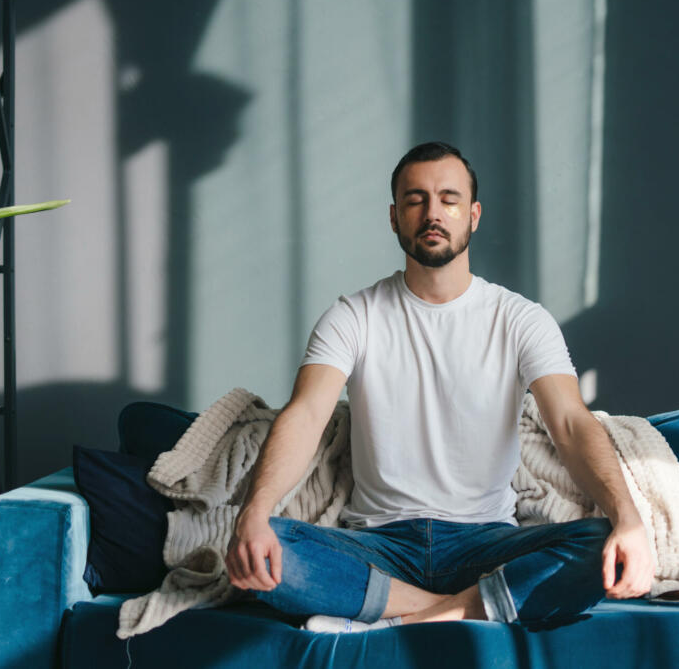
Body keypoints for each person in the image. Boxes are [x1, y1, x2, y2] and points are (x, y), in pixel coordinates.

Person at [225, 142, 654, 631]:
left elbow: (572, 423)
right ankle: (466, 607)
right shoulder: (353, 316)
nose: (433, 213)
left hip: (487, 543)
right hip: (381, 543)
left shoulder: (520, 319)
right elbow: (305, 414)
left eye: (448, 199)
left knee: (601, 542)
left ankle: (404, 614)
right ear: (394, 217)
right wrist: (254, 513)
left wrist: (629, 518)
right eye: (415, 200)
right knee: (267, 547)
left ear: (473, 215)